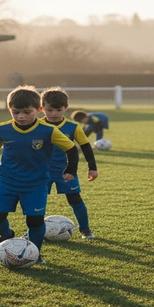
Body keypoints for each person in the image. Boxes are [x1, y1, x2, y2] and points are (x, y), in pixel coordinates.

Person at [0, 85, 79, 264]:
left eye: (26, 112)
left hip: (36, 184)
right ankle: (6, 235)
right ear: (9, 109)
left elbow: (71, 149)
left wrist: (70, 170)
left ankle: (35, 253)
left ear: (38, 110)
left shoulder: (48, 130)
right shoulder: (2, 129)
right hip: (7, 181)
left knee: (35, 221)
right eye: (16, 112)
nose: (21, 116)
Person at [40, 87, 99, 239]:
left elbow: (86, 147)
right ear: (42, 108)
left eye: (58, 110)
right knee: (37, 202)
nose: (54, 114)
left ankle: (85, 230)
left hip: (66, 172)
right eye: (49, 110)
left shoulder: (73, 127)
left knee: (75, 199)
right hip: (40, 172)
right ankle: (34, 231)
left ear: (66, 108)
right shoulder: (36, 125)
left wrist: (92, 168)